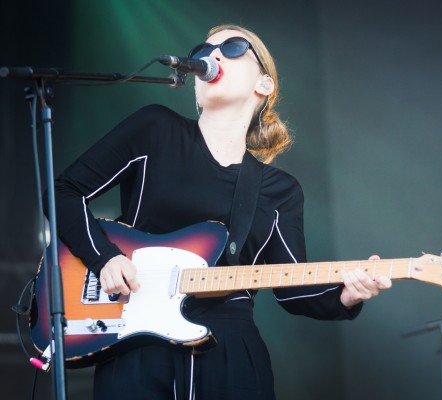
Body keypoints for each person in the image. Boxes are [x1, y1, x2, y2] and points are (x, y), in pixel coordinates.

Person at [50, 24, 392, 400]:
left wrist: (349, 294)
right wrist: (105, 258)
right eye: (203, 49)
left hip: (230, 352)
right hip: (139, 345)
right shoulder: (155, 130)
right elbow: (65, 191)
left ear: (264, 85)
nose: (210, 55)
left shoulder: (280, 191)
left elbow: (294, 291)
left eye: (232, 47)